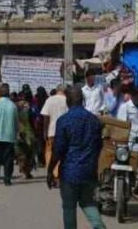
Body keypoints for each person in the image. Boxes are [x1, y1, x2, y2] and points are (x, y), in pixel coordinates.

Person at [47, 86, 106, 229]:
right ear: (83, 101)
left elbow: (58, 150)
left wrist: (50, 171)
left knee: (69, 207)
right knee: (88, 202)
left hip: (69, 172)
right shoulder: (94, 121)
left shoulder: (64, 121)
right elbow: (99, 146)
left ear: (68, 101)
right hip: (89, 171)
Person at [40, 83, 69, 184]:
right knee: (62, 154)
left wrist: (45, 131)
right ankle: (58, 175)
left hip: (51, 132)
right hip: (64, 133)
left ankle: (51, 173)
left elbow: (46, 117)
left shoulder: (49, 100)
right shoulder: (67, 100)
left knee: (49, 153)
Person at [15, 93, 37, 179]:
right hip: (29, 133)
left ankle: (24, 169)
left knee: (21, 153)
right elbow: (33, 121)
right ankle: (27, 171)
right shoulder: (30, 108)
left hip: (20, 132)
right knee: (29, 153)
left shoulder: (15, 107)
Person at [34, 86, 49, 167]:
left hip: (40, 124)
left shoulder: (36, 101)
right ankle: (44, 160)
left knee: (39, 142)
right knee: (45, 143)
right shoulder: (47, 100)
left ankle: (40, 160)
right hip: (46, 124)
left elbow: (36, 113)